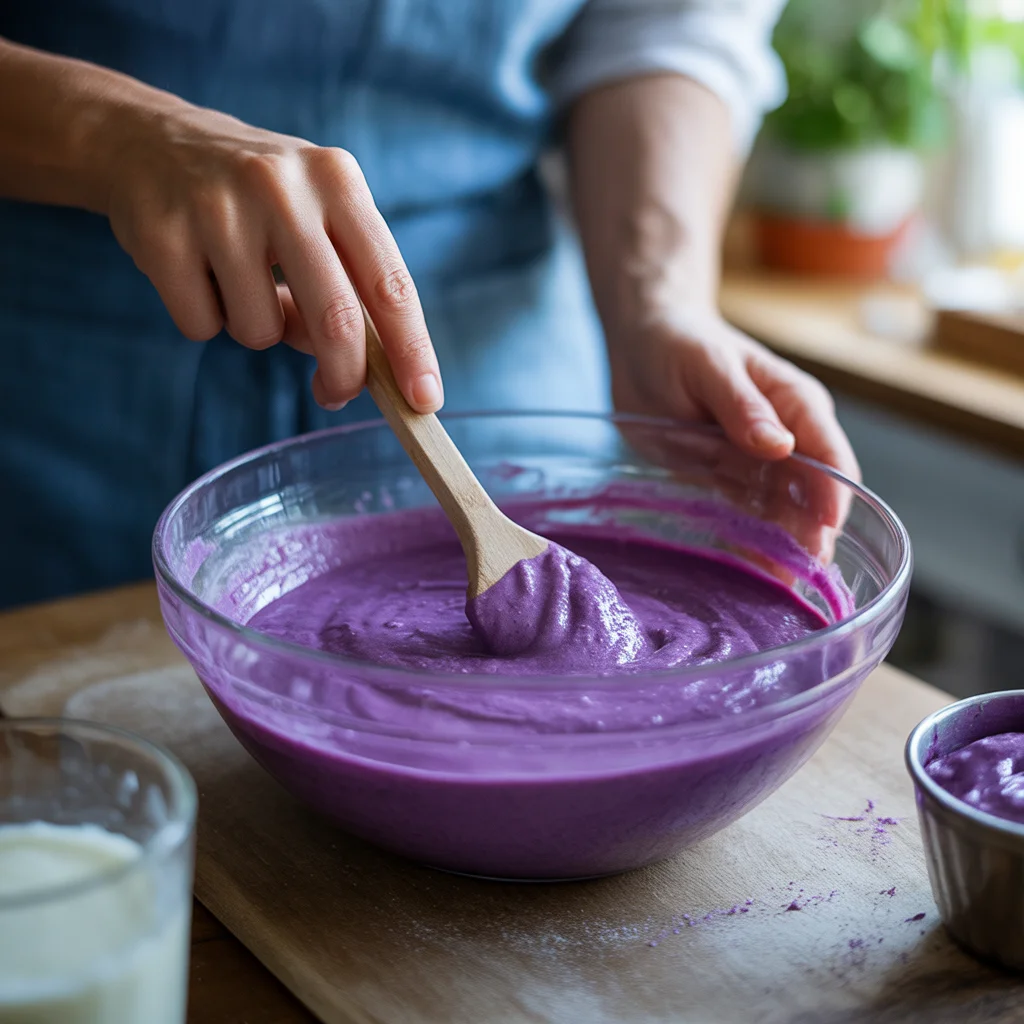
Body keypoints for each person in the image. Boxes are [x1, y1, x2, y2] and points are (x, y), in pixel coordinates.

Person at [0, 0, 857, 610]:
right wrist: (110, 132)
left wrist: (656, 301)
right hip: (65, 375)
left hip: (487, 354)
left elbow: (665, 27)